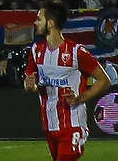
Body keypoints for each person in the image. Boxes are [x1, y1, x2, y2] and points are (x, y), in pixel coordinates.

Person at [24, 14, 88, 161]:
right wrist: (30, 86)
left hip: (73, 122)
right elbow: (33, 84)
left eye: (39, 19)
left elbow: (104, 80)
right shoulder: (36, 50)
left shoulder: (75, 51)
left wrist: (81, 98)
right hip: (50, 124)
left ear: (51, 23)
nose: (35, 22)